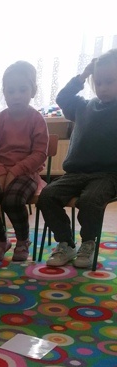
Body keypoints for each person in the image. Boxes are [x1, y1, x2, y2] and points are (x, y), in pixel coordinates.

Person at [39, 49, 117, 269]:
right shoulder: (84, 106)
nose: (103, 87)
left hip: (107, 175)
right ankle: (66, 243)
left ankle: (88, 243)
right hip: (76, 173)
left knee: (90, 201)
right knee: (47, 196)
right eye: (98, 82)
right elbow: (62, 98)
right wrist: (83, 75)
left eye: (110, 82)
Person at [0, 61, 49, 262]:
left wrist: (15, 171)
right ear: (5, 93)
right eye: (11, 91)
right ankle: (1, 240)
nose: (16, 96)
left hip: (26, 173)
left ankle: (23, 240)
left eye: (22, 90)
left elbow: (39, 153)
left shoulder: (37, 119)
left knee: (12, 200)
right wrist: (0, 171)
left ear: (33, 91)